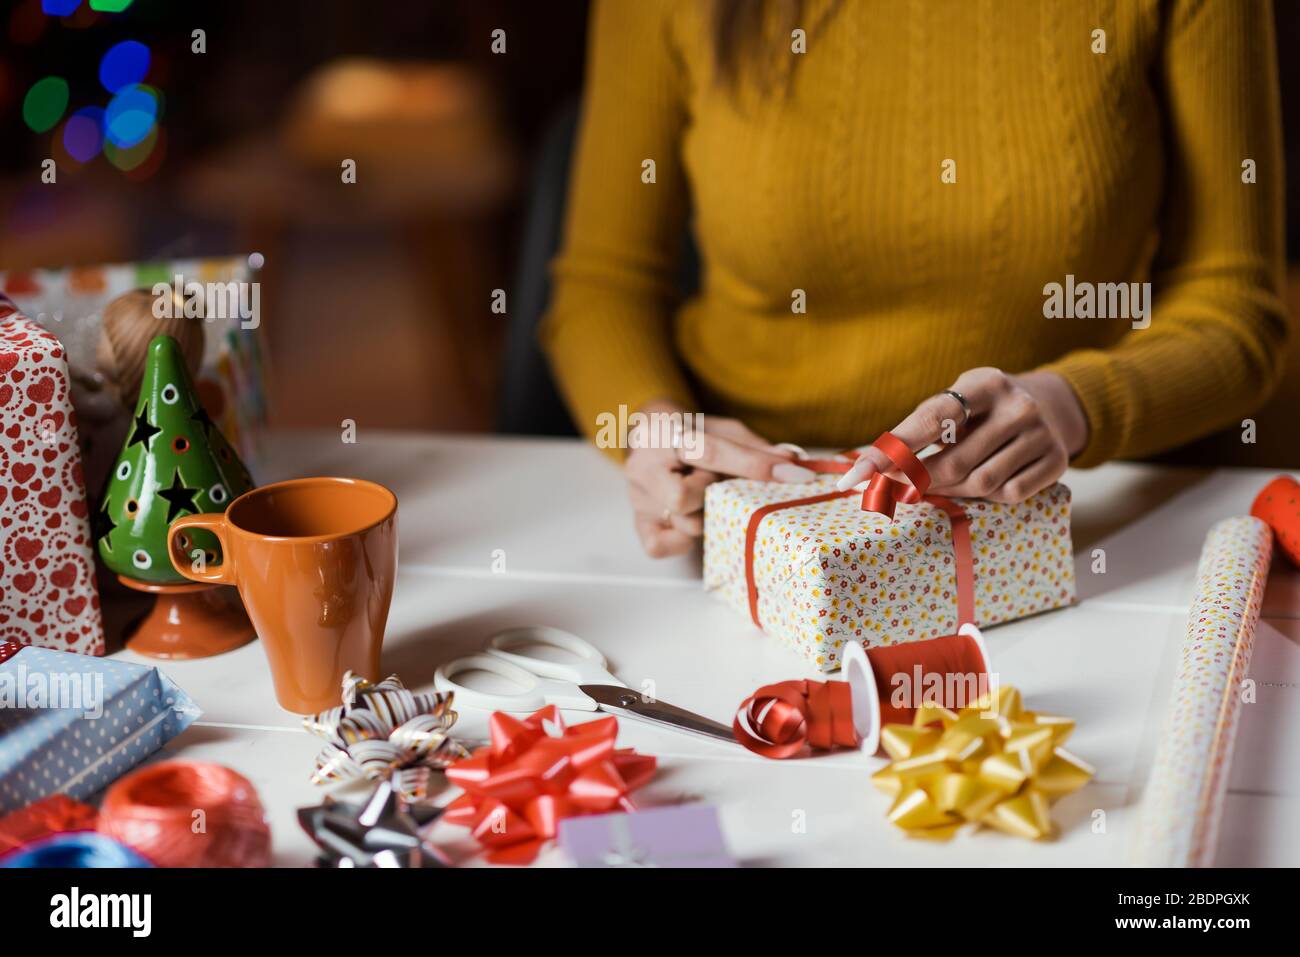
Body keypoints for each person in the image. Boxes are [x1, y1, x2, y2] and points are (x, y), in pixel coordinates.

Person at [540, 0, 1288, 557]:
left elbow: (1235, 306)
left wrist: (1074, 405)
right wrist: (655, 427)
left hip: (1055, 514)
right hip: (740, 516)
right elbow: (604, 285)